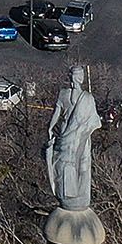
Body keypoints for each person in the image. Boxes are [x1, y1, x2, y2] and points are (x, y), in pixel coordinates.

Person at [44, 65, 97, 212]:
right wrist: (50, 127)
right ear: (73, 77)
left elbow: (92, 119)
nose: (80, 78)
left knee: (82, 164)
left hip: (81, 136)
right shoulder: (64, 94)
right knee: (64, 164)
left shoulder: (87, 98)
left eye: (81, 76)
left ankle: (80, 194)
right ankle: (67, 193)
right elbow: (57, 112)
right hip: (65, 134)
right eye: (78, 75)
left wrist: (84, 128)